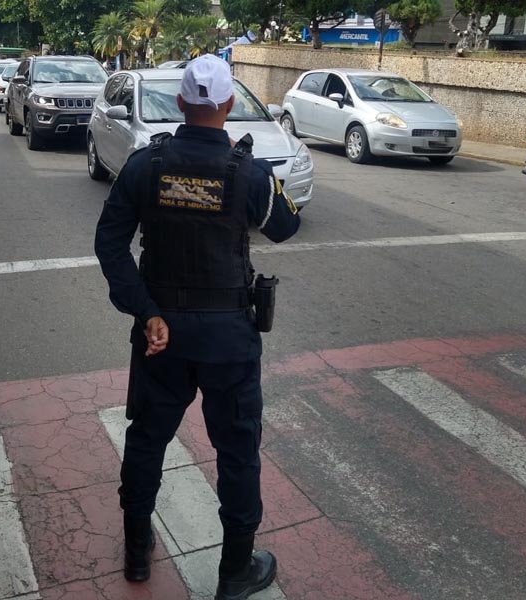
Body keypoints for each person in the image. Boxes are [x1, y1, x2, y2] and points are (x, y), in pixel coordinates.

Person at [94, 53, 300, 599]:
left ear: (181, 103)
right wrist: (254, 177)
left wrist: (146, 311)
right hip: (229, 338)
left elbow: (108, 244)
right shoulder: (249, 173)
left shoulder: (146, 165)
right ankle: (235, 571)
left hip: (161, 334)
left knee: (147, 440)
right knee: (237, 451)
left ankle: (137, 552)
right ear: (229, 105)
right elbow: (285, 227)